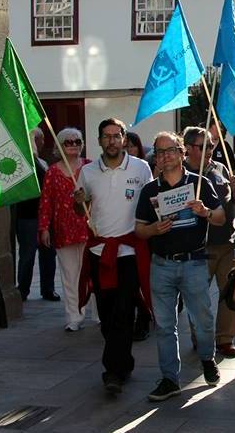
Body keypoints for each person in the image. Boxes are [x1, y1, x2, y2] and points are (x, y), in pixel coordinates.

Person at [135, 131, 226, 402]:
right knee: (164, 325)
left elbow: (221, 217)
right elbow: (139, 230)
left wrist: (205, 212)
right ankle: (169, 378)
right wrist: (153, 228)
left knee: (204, 321)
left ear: (181, 153)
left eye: (170, 150)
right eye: (160, 153)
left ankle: (207, 359)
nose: (165, 156)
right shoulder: (150, 190)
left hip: (194, 263)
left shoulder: (199, 184)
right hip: (161, 265)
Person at [75, 118, 153, 395]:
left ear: (124, 138)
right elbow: (81, 210)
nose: (111, 141)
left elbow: (152, 202)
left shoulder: (141, 168)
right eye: (106, 136)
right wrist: (78, 203)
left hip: (129, 252)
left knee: (123, 311)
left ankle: (112, 372)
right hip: (100, 252)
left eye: (116, 136)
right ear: (99, 141)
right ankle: (124, 361)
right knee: (107, 315)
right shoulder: (88, 172)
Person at [183, 126, 235, 358]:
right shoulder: (182, 173)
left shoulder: (221, 168)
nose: (209, 151)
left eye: (212, 145)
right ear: (188, 148)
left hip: (227, 241)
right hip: (198, 245)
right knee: (198, 296)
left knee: (228, 291)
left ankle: (225, 339)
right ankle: (201, 335)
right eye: (203, 146)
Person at [38, 127, 92, 330]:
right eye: (68, 142)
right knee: (70, 275)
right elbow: (46, 202)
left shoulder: (90, 167)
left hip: (88, 228)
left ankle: (98, 314)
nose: (74, 145)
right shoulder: (52, 171)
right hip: (64, 230)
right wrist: (44, 228)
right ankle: (74, 317)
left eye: (77, 141)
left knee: (92, 273)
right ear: (60, 146)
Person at [13, 127, 56, 301]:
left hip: (45, 215)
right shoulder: (24, 162)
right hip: (27, 215)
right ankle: (22, 290)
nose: (43, 142)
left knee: (48, 253)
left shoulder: (43, 162)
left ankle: (48, 289)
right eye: (40, 139)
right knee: (28, 254)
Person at [125, 131, 153, 340]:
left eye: (132, 145)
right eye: (125, 146)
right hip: (122, 236)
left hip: (144, 234)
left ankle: (144, 318)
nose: (129, 150)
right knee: (130, 284)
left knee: (144, 281)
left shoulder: (144, 169)